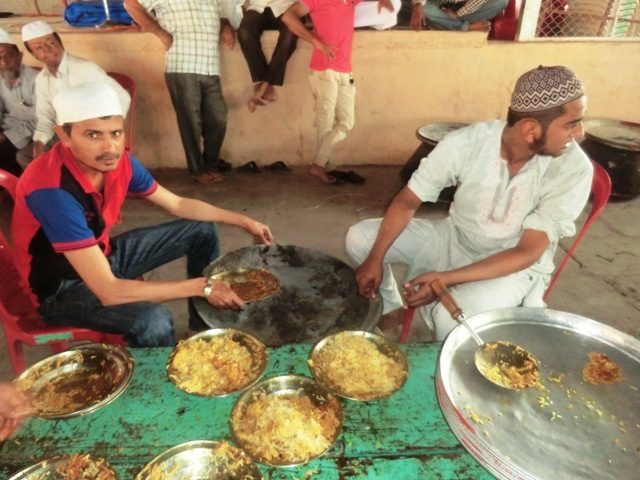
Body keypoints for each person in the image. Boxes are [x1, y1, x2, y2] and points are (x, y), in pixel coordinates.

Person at [11, 82, 273, 347]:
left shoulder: (119, 162)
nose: (110, 147)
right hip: (61, 290)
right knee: (152, 319)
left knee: (201, 230)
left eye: (116, 133)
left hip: (102, 256)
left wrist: (243, 220)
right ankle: (158, 373)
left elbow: (177, 203)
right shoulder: (51, 190)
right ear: (64, 136)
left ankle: (202, 327)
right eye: (93, 135)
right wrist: (203, 287)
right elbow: (108, 291)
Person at [346, 65, 593, 340]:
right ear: (530, 129)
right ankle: (393, 309)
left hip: (512, 266)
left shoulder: (574, 168)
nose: (580, 133)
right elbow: (406, 202)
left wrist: (446, 279)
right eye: (572, 123)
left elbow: (527, 251)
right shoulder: (467, 143)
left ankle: (447, 363)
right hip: (454, 239)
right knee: (360, 238)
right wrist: (375, 258)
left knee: (450, 318)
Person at [282, 0, 394, 185]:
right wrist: (315, 41)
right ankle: (322, 167)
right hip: (324, 69)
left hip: (345, 71)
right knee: (325, 123)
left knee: (347, 122)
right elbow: (288, 17)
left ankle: (319, 164)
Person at [124, 0, 235, 184]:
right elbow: (131, 4)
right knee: (190, 123)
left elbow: (220, 15)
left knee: (218, 118)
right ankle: (198, 170)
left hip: (210, 67)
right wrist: (160, 33)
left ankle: (211, 165)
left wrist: (226, 26)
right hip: (182, 65)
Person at [20, 21, 131, 159]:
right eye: (39, 47)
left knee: (63, 161)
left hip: (91, 134)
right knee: (25, 156)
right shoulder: (42, 79)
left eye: (51, 43)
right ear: (34, 55)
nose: (48, 49)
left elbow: (122, 97)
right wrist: (39, 144)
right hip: (64, 136)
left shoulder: (84, 68)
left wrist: (108, 129)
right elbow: (46, 118)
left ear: (60, 43)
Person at [238, 0, 298, 113]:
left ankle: (263, 87)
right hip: (258, 7)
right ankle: (265, 84)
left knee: (290, 33)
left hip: (286, 7)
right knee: (245, 32)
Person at [0, 28, 38, 176]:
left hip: (29, 134)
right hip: (6, 130)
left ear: (20, 56)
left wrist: (6, 136)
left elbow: (41, 121)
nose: (4, 62)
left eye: (9, 56)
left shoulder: (37, 80)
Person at [410, 0, 508, 32]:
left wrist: (458, 13)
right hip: (437, 4)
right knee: (425, 10)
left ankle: (444, 23)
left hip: (466, 8)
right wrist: (418, 4)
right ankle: (467, 27)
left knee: (501, 1)